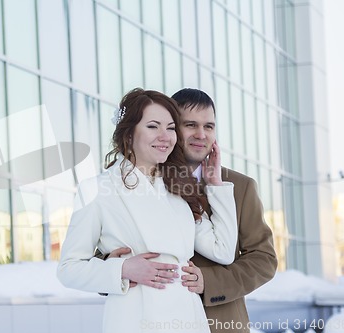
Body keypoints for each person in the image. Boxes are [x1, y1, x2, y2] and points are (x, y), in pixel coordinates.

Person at [57, 88, 238, 333]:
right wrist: (122, 269)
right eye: (153, 126)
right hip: (136, 317)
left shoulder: (179, 187)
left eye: (171, 128)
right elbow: (69, 268)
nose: (165, 136)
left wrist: (215, 184)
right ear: (129, 134)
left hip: (188, 317)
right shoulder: (98, 189)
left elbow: (224, 251)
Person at [105, 88, 278, 333]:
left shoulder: (240, 187)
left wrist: (210, 282)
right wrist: (117, 269)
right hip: (153, 321)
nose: (201, 134)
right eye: (190, 125)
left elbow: (264, 259)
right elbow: (103, 252)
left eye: (209, 126)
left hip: (221, 323)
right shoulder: (139, 182)